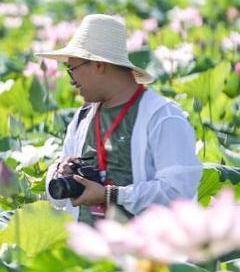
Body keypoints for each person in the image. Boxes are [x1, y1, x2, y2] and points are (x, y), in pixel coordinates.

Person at [38, 14, 202, 224]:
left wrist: (111, 195)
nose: (71, 82)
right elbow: (59, 198)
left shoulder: (164, 117)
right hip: (89, 251)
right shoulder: (82, 116)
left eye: (72, 70)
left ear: (98, 65)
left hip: (147, 252)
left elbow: (179, 192)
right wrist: (62, 171)